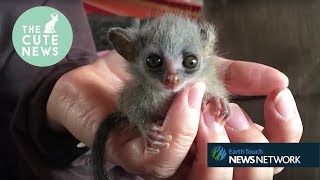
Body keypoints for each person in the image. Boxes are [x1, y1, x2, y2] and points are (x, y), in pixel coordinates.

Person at [1, 0, 302, 179]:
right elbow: (134, 111)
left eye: (189, 62)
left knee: (283, 155)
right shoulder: (139, 90)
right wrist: (145, 129)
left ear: (206, 50)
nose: (172, 76)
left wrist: (219, 101)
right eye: (156, 62)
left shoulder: (205, 76)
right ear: (129, 51)